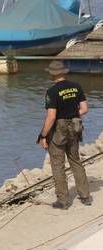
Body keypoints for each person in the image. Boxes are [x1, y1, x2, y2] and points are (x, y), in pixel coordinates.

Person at [39, 60, 91, 210]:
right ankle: (85, 196)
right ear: (64, 72)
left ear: (51, 74)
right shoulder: (76, 87)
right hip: (75, 127)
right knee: (75, 161)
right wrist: (73, 114)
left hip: (59, 129)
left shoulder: (52, 91)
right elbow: (85, 109)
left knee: (58, 164)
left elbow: (51, 117)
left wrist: (43, 136)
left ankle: (63, 201)